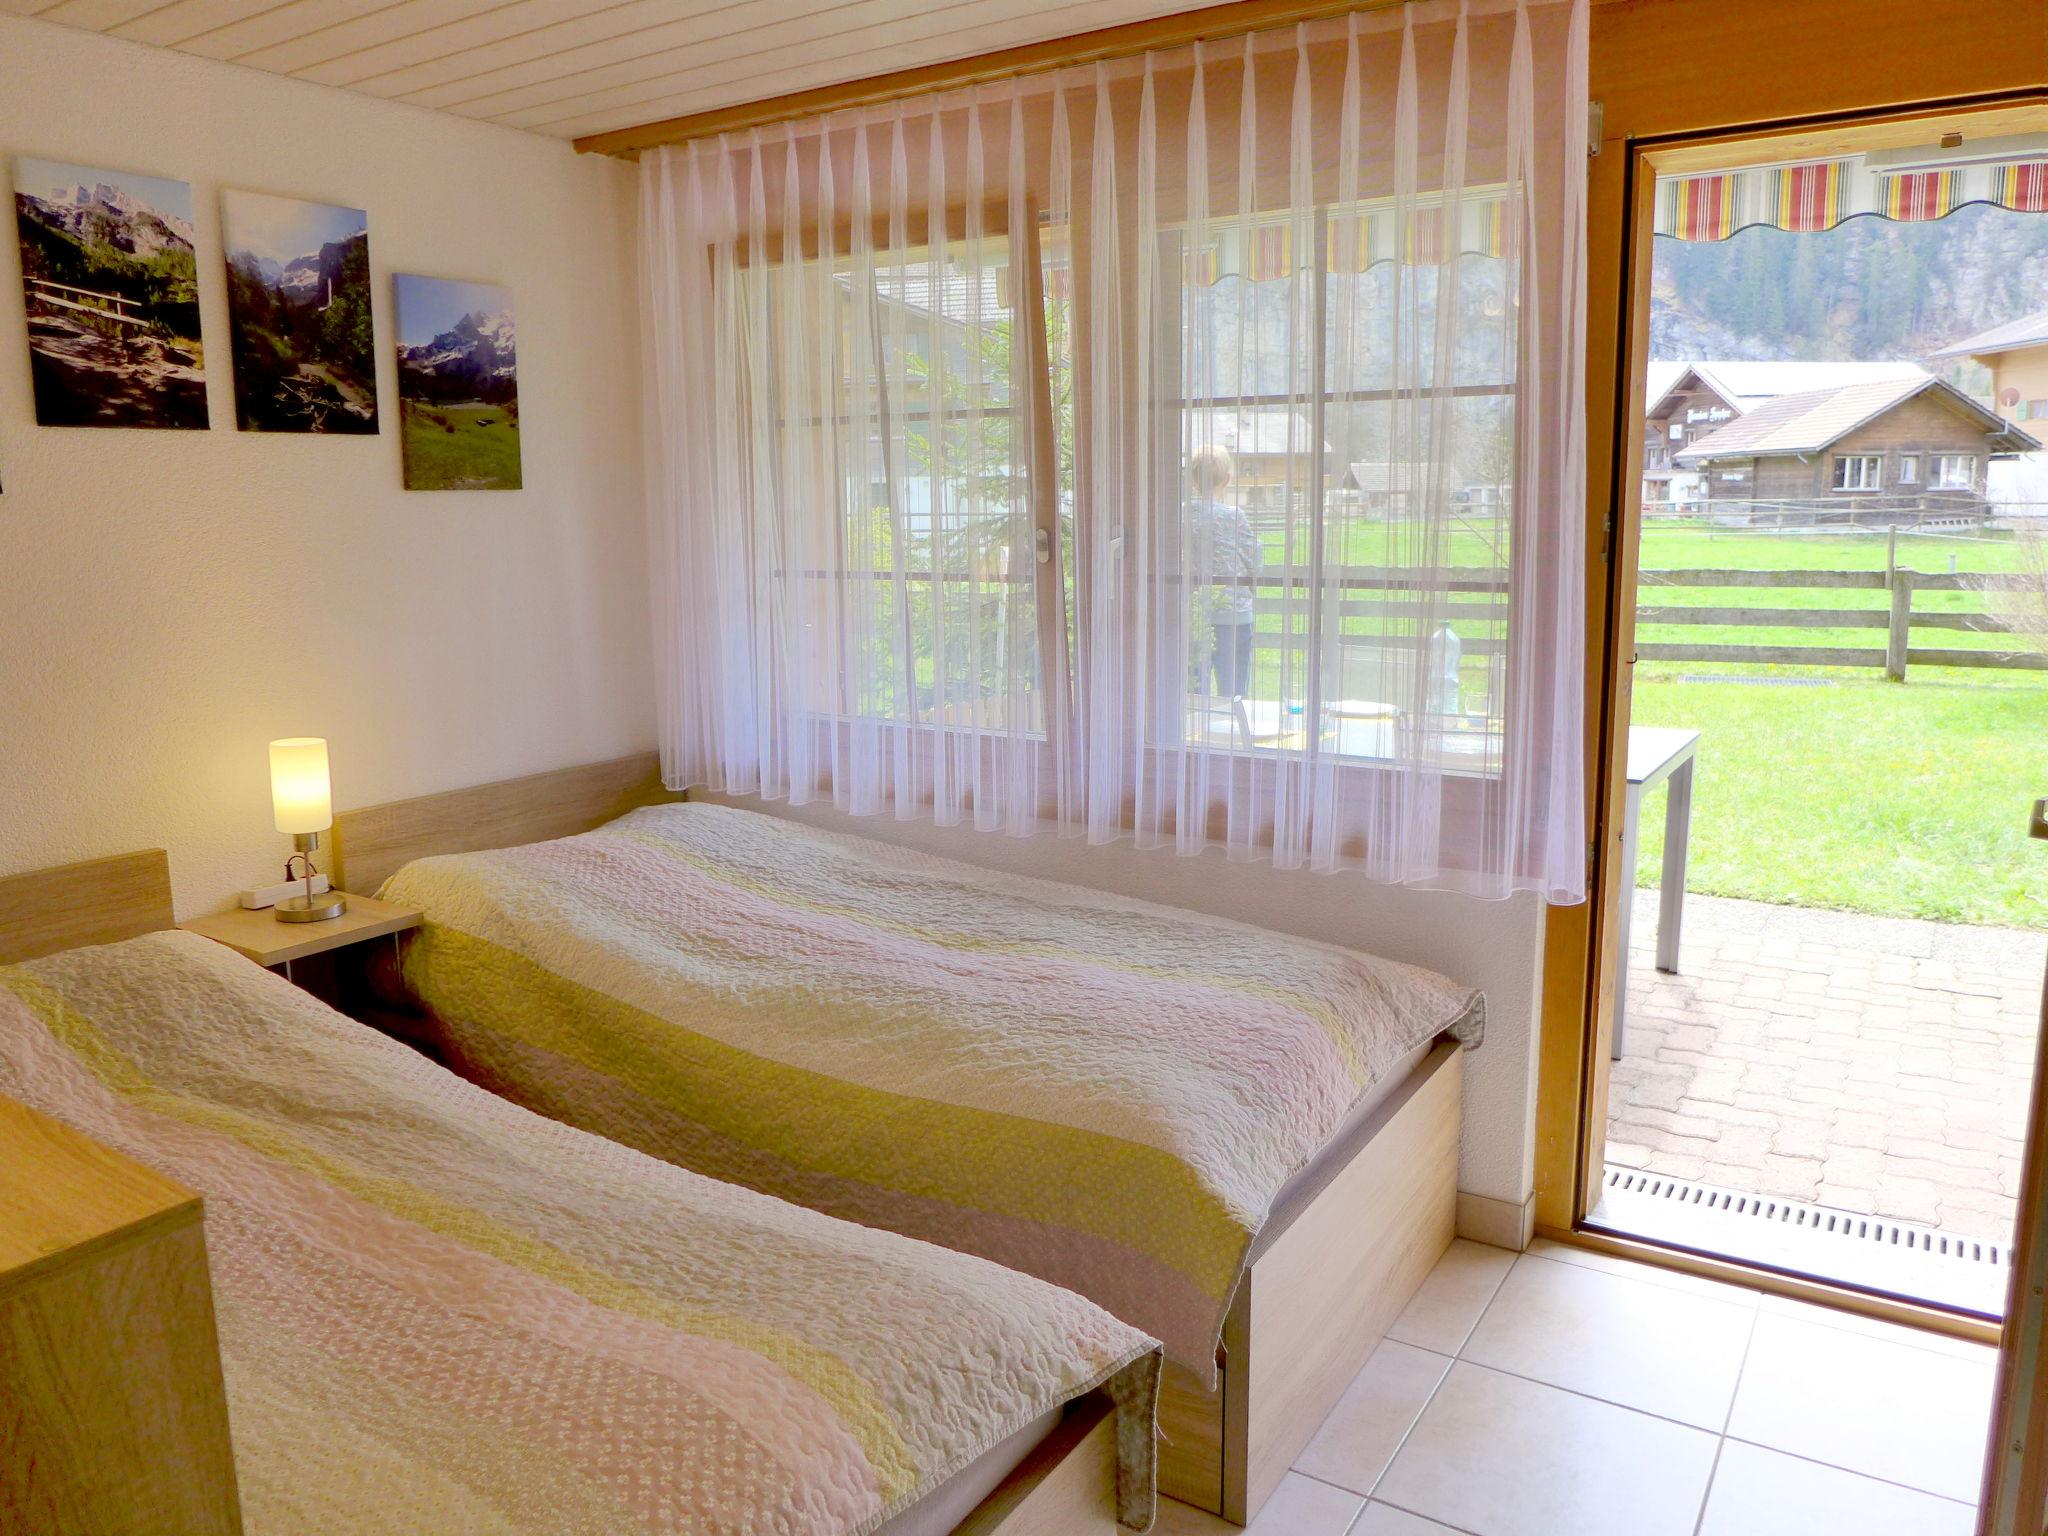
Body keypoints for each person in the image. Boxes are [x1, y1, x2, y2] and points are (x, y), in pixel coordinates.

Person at [1184, 444, 1262, 698]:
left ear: (1193, 480)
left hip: (1195, 615)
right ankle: (1232, 736)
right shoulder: (1234, 516)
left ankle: (1192, 734)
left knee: (1195, 690)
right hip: (1234, 615)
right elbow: (1254, 562)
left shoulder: (1182, 514)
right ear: (1227, 480)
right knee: (1233, 690)